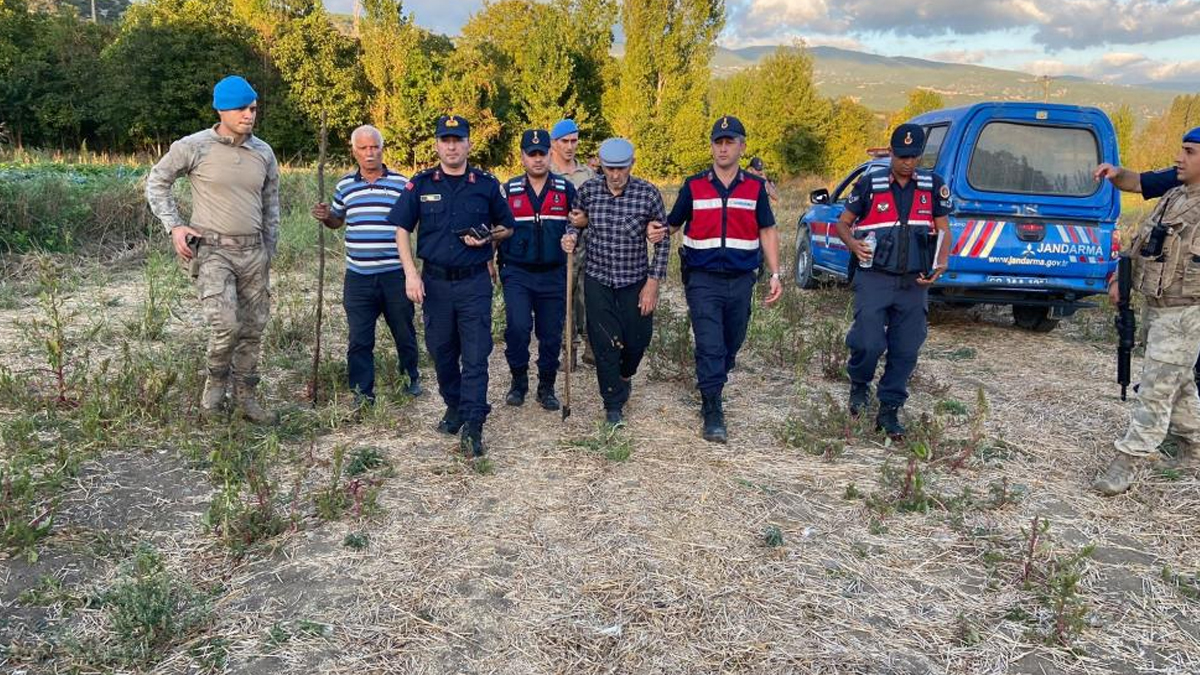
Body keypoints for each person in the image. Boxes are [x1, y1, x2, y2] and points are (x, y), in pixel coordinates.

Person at [146, 75, 279, 424]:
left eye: (252, 108)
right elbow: (157, 182)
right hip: (212, 252)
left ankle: (246, 397)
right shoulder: (194, 146)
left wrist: (269, 252)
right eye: (240, 109)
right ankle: (215, 386)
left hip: (253, 252)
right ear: (221, 110)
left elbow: (271, 206)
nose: (249, 115)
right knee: (226, 325)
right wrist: (175, 225)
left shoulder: (263, 152)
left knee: (253, 328)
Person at [387, 115, 514, 461]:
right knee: (441, 353)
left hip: (474, 282)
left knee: (475, 355)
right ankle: (455, 405)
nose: (452, 146)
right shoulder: (422, 184)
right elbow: (401, 228)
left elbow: (507, 226)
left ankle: (473, 423)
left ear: (470, 143)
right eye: (446, 140)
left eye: (458, 139)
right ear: (437, 145)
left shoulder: (486, 184)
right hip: (435, 284)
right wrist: (411, 274)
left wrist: (488, 237)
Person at [1093, 127, 1200, 495]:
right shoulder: (1173, 196)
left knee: (1156, 386)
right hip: (1159, 305)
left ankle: (1127, 461)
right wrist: (1120, 280)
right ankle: (1192, 449)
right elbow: (1145, 242)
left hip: (1189, 312)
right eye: (1181, 149)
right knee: (1179, 381)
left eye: (1189, 151)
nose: (1179, 158)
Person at [663, 116, 783, 443]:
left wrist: (775, 273)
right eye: (719, 142)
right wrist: (651, 229)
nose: (724, 148)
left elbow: (767, 230)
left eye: (730, 142)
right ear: (712, 147)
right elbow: (672, 224)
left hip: (742, 278)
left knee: (734, 338)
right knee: (709, 342)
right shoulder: (693, 185)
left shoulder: (755, 188)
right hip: (702, 278)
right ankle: (712, 406)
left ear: (742, 146)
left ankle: (718, 374)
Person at [834, 123, 952, 437]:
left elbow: (943, 230)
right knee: (868, 342)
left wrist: (941, 262)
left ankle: (889, 410)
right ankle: (859, 384)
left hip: (914, 282)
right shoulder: (870, 183)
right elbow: (843, 224)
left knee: (906, 349)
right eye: (901, 155)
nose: (907, 162)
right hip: (875, 277)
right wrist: (852, 243)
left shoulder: (932, 185)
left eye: (913, 156)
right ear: (891, 151)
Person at [311, 125, 422, 405]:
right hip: (358, 277)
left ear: (382, 149)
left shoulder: (402, 184)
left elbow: (414, 221)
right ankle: (362, 392)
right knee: (359, 338)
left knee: (404, 331)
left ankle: (410, 377)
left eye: (374, 147)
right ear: (354, 151)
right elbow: (337, 220)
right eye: (363, 148)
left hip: (394, 274)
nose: (370, 153)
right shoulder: (345, 186)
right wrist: (326, 217)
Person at [561, 138, 669, 426]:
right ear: (600, 164)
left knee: (637, 339)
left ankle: (624, 376)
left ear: (632, 164)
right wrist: (570, 235)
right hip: (598, 279)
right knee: (604, 344)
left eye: (621, 168)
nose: (616, 175)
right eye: (610, 168)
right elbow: (573, 221)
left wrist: (653, 283)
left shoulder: (648, 194)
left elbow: (663, 240)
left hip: (634, 280)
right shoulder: (588, 190)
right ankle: (612, 404)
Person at [1095, 158, 1200, 388]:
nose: (1181, 158)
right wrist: (1116, 173)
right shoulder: (1183, 179)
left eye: (1189, 151)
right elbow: (1139, 182)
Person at [498, 129, 576, 410]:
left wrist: (573, 236)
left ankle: (547, 386)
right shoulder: (508, 190)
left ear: (549, 155)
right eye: (531, 154)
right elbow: (496, 227)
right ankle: (518, 382)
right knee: (518, 328)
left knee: (551, 334)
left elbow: (576, 222)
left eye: (542, 153)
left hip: (554, 273)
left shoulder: (565, 190)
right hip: (517, 272)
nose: (538, 159)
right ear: (522, 157)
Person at [550, 119, 598, 370]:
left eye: (574, 141)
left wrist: (585, 220)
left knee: (588, 297)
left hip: (588, 246)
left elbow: (598, 209)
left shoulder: (588, 174)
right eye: (564, 141)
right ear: (553, 143)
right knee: (564, 300)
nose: (570, 146)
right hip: (560, 248)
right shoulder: (545, 171)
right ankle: (569, 351)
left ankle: (592, 345)